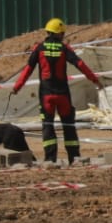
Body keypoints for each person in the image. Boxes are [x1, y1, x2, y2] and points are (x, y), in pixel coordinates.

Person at [10, 18, 103, 166]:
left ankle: (50, 159)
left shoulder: (39, 48)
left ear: (48, 32)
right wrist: (95, 80)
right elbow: (80, 64)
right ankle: (74, 158)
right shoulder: (64, 48)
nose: (63, 35)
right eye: (63, 33)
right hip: (63, 95)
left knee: (48, 127)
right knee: (69, 126)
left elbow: (28, 69)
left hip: (46, 96)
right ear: (59, 33)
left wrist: (17, 87)